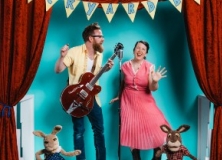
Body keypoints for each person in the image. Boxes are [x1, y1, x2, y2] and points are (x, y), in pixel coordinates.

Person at [55, 22, 114, 160]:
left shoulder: (99, 54)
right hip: (77, 98)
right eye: (100, 36)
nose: (103, 38)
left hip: (93, 98)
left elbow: (92, 77)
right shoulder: (74, 52)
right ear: (91, 38)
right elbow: (58, 70)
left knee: (99, 131)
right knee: (79, 132)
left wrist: (105, 69)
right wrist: (62, 56)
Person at [110, 40, 170, 160]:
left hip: (145, 101)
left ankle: (156, 157)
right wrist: (119, 95)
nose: (140, 51)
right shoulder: (125, 65)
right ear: (134, 50)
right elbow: (124, 82)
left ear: (146, 53)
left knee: (156, 126)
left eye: (143, 49)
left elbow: (152, 88)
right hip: (128, 102)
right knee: (132, 130)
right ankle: (136, 158)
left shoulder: (149, 66)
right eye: (138, 48)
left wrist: (155, 81)